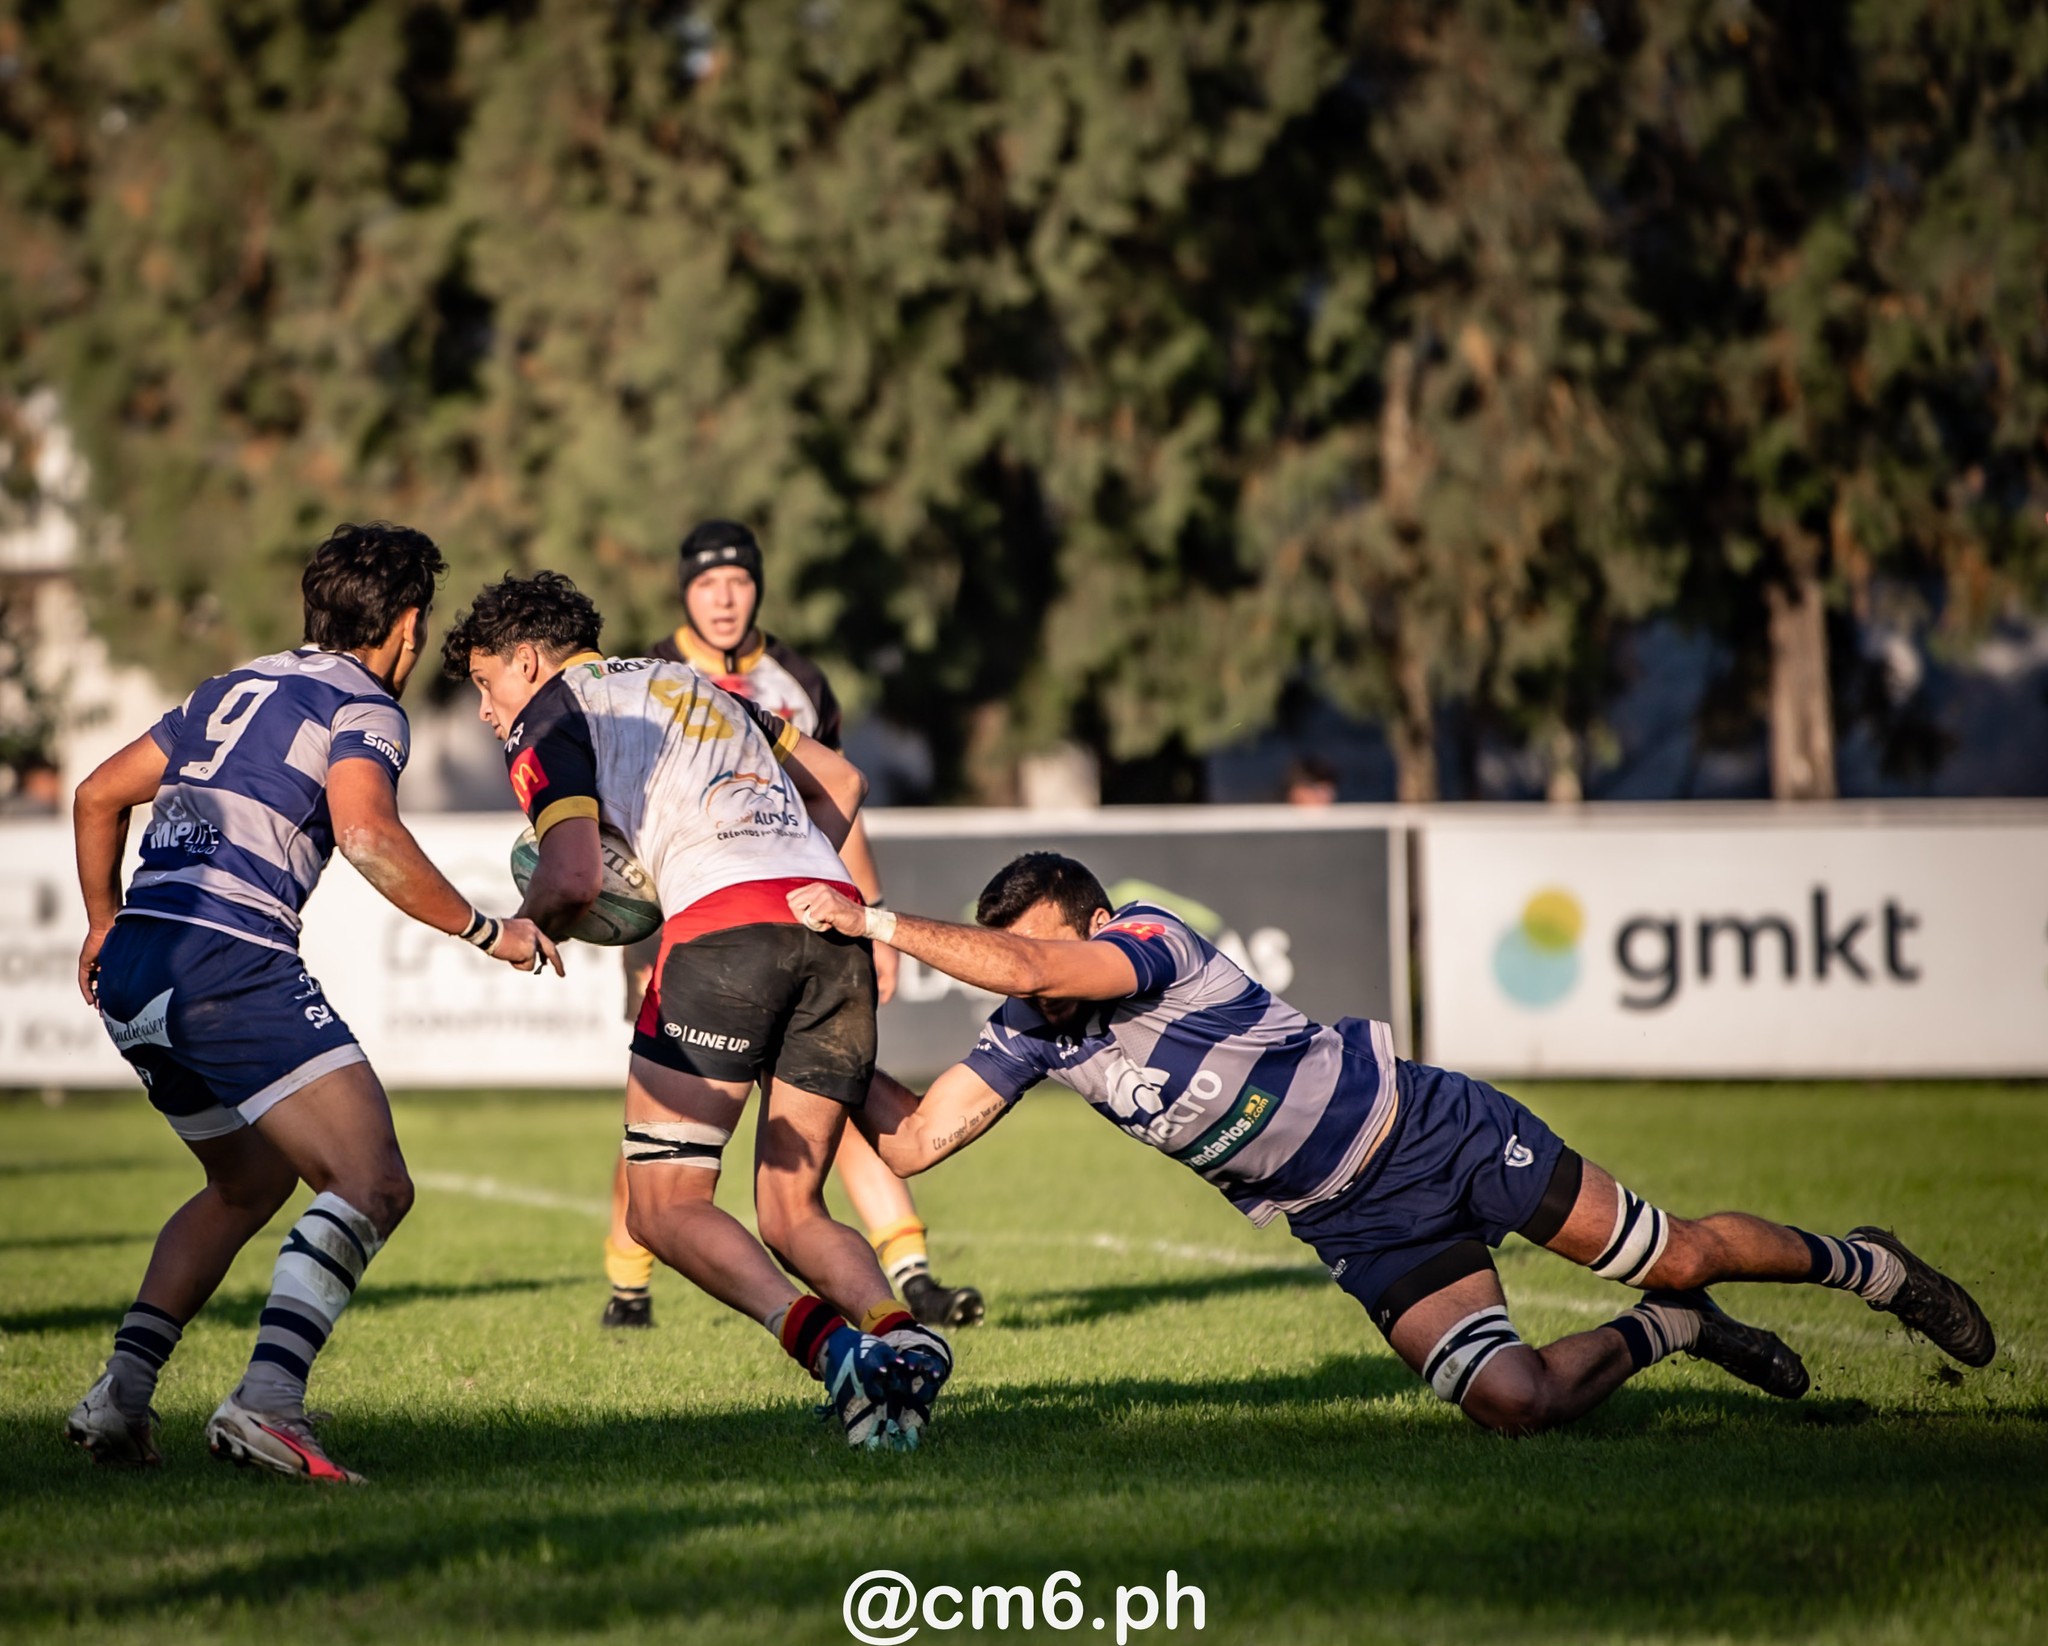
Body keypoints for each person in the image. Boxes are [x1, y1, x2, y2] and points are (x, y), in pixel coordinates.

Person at [785, 853, 1996, 1436]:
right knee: (1511, 1405)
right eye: (1028, 981)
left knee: (1673, 1247)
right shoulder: (1033, 1027)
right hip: (1357, 1221)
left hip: (1432, 1129)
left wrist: (878, 919)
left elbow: (1042, 966)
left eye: (1044, 957)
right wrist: (818, 1057)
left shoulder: (1146, 938)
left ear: (1092, 919)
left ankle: (1873, 1267)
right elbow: (920, 1132)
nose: (1040, 1000)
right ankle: (1674, 1335)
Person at [64, 523, 560, 1484]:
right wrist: (486, 930)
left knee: (244, 1186)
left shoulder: (228, 687)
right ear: (407, 627)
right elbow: (368, 835)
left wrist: (99, 921)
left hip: (135, 967)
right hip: (225, 959)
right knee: (373, 1183)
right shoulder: (364, 702)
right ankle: (269, 1404)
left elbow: (94, 794)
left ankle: (120, 1399)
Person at [443, 570, 951, 1449]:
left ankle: (836, 1354)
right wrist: (782, 870)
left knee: (663, 1207)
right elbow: (843, 779)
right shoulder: (690, 684)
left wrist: (522, 930)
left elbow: (571, 875)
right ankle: (899, 1338)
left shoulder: (553, 713)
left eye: (487, 684)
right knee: (793, 1209)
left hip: (722, 935)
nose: (490, 712)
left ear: (527, 660)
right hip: (830, 922)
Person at [600, 518, 981, 1332]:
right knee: (674, 1116)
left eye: (738, 580)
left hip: (795, 914)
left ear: (759, 586)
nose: (726, 597)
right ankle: (627, 1285)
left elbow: (835, 794)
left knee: (758, 1133)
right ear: (685, 592)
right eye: (708, 583)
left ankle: (907, 1277)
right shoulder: (653, 673)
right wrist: (644, 944)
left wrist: (872, 918)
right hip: (696, 915)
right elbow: (631, 831)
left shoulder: (798, 679)